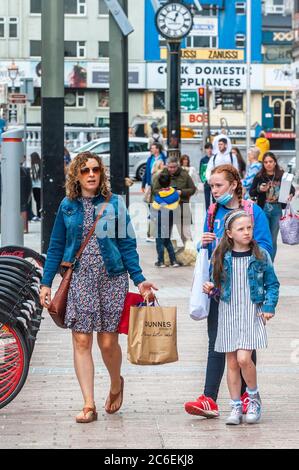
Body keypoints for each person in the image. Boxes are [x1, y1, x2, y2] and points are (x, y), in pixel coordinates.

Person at [39, 151, 157, 424]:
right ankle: (88, 404)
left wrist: (139, 280)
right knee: (82, 340)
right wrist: (46, 283)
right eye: (85, 170)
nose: (91, 174)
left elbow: (127, 245)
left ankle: (116, 384)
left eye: (95, 169)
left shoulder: (114, 204)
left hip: (112, 279)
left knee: (107, 343)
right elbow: (56, 246)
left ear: (101, 174)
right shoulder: (67, 206)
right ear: (76, 176)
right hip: (79, 279)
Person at [184, 164, 273, 419]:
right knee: (217, 342)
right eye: (211, 186)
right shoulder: (213, 213)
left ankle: (247, 396)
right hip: (219, 290)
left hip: (248, 290)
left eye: (218, 185)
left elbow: (266, 248)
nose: (214, 191)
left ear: (233, 185)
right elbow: (208, 247)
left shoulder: (252, 212)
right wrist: (203, 243)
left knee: (246, 345)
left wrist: (240, 243)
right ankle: (209, 399)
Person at [203, 210, 279, 425]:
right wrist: (211, 288)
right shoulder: (220, 255)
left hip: (250, 312)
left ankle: (253, 397)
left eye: (249, 228)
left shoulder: (260, 255)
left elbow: (272, 284)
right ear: (229, 233)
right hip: (228, 313)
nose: (247, 232)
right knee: (232, 363)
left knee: (244, 358)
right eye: (241, 229)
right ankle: (235, 406)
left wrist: (269, 306)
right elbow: (217, 285)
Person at [249, 151, 295, 260]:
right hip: (263, 209)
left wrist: (290, 194)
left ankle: (270, 262)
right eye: (265, 162)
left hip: (277, 209)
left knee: (273, 238)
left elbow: (291, 188)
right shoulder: (260, 176)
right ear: (263, 164)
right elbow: (251, 192)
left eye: (270, 161)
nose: (268, 164)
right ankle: (262, 260)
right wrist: (260, 189)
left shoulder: (282, 175)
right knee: (263, 236)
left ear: (275, 162)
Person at [152, 156, 196, 246]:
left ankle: (191, 254)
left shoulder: (184, 174)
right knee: (165, 235)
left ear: (178, 166)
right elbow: (155, 190)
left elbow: (192, 189)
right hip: (165, 208)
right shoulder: (161, 175)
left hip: (182, 207)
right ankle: (166, 255)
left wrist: (181, 192)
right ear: (166, 166)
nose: (171, 169)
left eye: (174, 167)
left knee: (186, 234)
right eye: (169, 167)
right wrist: (165, 193)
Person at [152, 172, 180, 268]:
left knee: (159, 240)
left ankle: (161, 261)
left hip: (160, 218)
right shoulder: (175, 194)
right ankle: (173, 261)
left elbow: (155, 206)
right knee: (167, 239)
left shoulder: (159, 196)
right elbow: (176, 203)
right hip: (170, 217)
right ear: (170, 182)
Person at [142, 143, 167, 241]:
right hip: (150, 185)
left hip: (160, 186)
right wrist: (143, 184)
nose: (151, 150)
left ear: (158, 149)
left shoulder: (163, 158)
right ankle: (152, 233)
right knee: (151, 209)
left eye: (153, 148)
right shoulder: (150, 158)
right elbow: (147, 172)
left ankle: (156, 232)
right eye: (151, 148)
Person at [199, 143, 213, 211]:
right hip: (206, 182)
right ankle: (208, 213)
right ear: (205, 150)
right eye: (207, 148)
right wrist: (203, 181)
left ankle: (214, 213)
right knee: (207, 200)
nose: (209, 150)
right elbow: (201, 172)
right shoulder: (203, 160)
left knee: (215, 200)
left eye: (210, 148)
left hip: (214, 182)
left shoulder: (214, 158)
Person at [30, 152, 41, 221]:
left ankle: (38, 215)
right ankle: (40, 215)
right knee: (40, 201)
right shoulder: (40, 165)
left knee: (37, 201)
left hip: (35, 186)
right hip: (41, 186)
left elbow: (32, 177)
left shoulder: (34, 166)